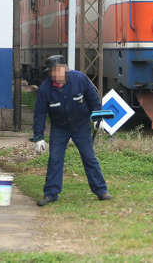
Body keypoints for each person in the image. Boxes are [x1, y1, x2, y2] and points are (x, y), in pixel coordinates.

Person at [29, 55, 111, 206]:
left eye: (59, 70)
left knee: (89, 157)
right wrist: (39, 137)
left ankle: (101, 190)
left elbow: (93, 98)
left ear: (66, 69)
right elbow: (39, 114)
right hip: (59, 127)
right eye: (52, 71)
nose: (56, 74)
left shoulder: (79, 79)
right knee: (55, 159)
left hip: (80, 125)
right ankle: (50, 194)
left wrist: (98, 119)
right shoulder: (45, 89)